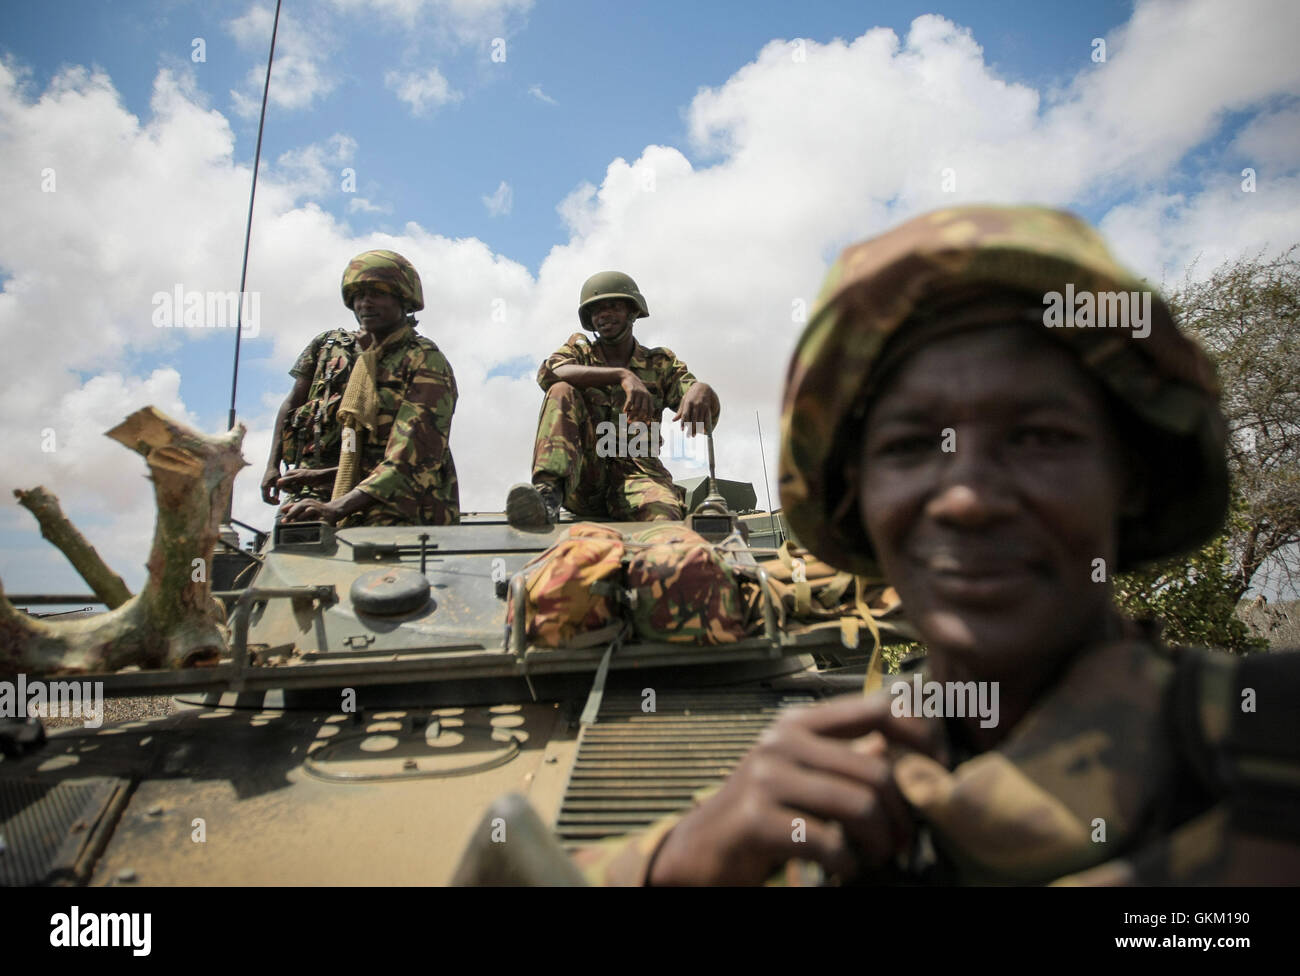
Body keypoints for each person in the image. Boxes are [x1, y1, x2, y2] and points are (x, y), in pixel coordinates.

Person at [572, 205, 1300, 885]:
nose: (968, 499)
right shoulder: (795, 812)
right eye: (912, 445)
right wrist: (681, 862)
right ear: (857, 498)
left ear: (1132, 476)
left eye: (1038, 437)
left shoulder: (1270, 755)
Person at [262, 249, 460, 527]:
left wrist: (335, 508)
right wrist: (311, 477)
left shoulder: (425, 361)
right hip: (346, 499)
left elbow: (410, 460)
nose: (365, 303)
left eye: (378, 293)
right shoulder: (334, 348)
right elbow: (294, 403)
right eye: (359, 295)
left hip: (403, 512)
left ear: (404, 299)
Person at [506, 271, 719, 528]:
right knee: (561, 390)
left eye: (613, 306)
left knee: (663, 522)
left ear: (632, 311)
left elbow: (697, 410)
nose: (604, 314)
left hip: (638, 476)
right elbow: (550, 372)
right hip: (583, 478)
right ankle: (547, 495)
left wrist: (703, 389)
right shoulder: (581, 351)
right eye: (596, 310)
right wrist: (621, 375)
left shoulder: (660, 364)